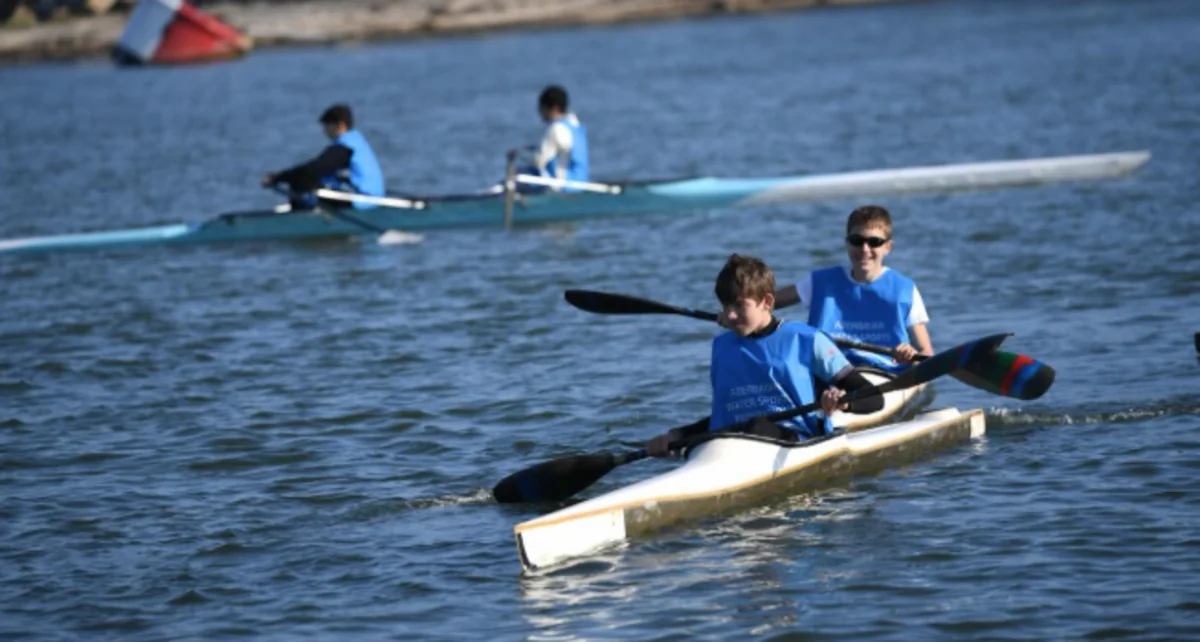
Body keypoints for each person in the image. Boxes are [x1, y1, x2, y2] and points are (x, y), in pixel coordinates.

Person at [644, 254, 886, 457]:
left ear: (767, 301)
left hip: (793, 441)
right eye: (725, 306)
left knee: (756, 425)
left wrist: (844, 401)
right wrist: (677, 435)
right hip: (727, 443)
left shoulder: (807, 340)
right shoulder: (721, 346)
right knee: (724, 433)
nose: (730, 316)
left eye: (739, 306)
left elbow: (875, 398)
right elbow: (725, 419)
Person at [775, 205, 933, 372]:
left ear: (888, 247)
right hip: (830, 371)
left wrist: (910, 355)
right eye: (857, 241)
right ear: (847, 243)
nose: (864, 249)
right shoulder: (821, 282)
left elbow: (926, 353)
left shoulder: (904, 289)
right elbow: (767, 303)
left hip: (884, 372)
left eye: (874, 242)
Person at [262, 104, 385, 210]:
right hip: (368, 197)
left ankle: (298, 223)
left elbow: (312, 170)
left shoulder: (345, 147)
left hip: (361, 201)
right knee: (310, 181)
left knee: (301, 182)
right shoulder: (356, 141)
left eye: (327, 126)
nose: (324, 131)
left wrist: (277, 178)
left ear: (339, 125)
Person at [521, 85, 588, 190]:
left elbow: (539, 161)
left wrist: (519, 155)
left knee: (519, 174)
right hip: (581, 184)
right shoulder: (575, 125)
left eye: (542, 108)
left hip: (563, 187)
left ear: (554, 108)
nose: (540, 113)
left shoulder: (556, 129)